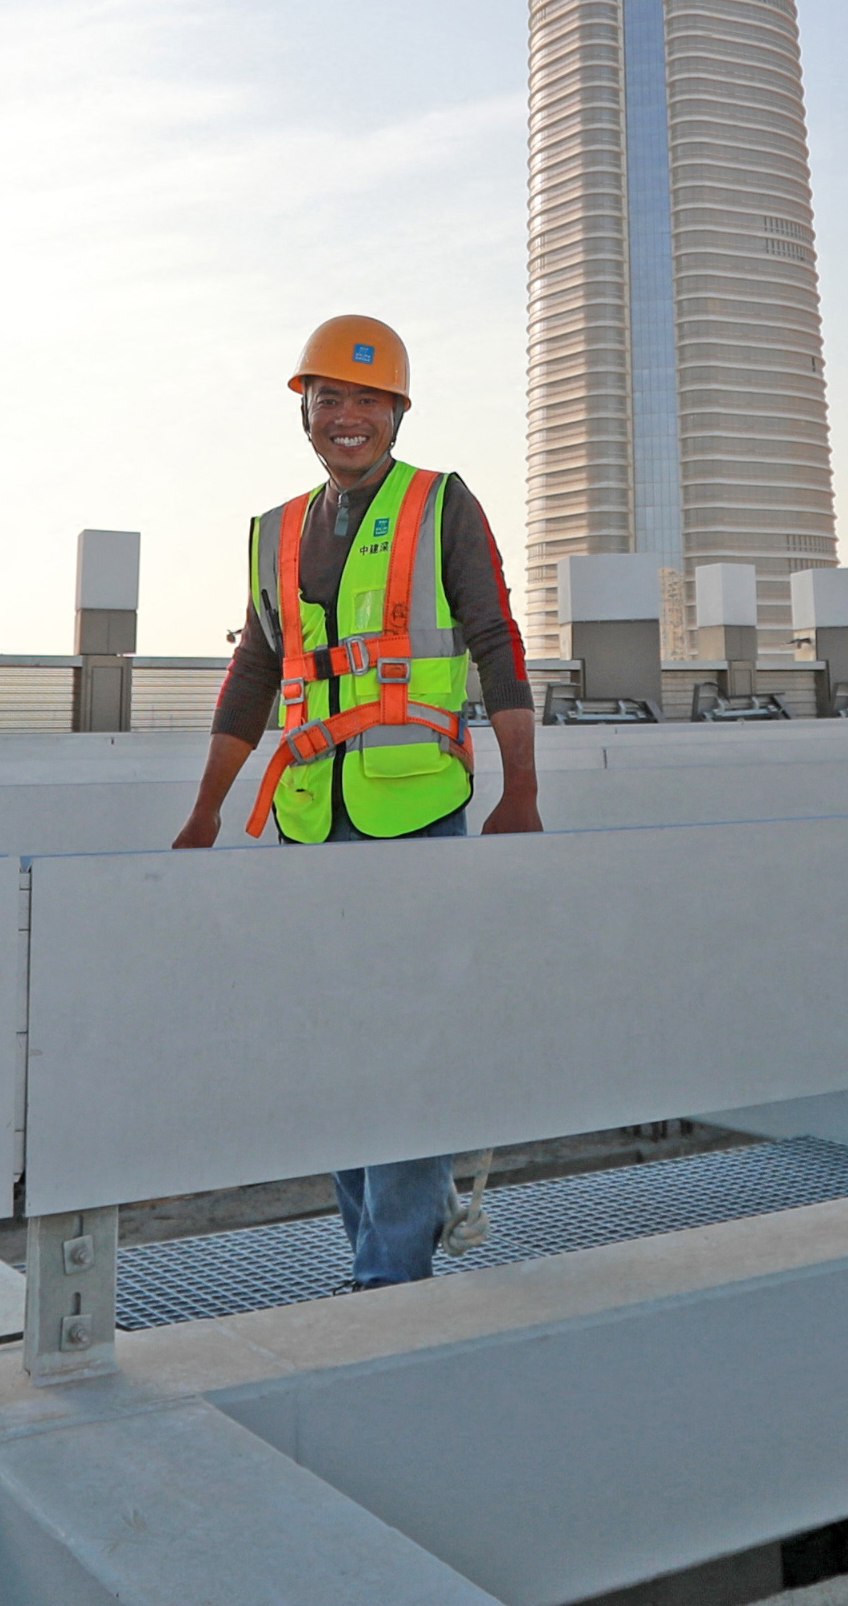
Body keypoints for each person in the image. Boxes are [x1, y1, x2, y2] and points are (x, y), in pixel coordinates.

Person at [173, 312, 542, 1287]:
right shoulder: (275, 531)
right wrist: (207, 808)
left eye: (366, 400)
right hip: (305, 817)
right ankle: (369, 1258)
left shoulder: (442, 504)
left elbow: (496, 640)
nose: (346, 417)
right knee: (330, 1047)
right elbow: (254, 672)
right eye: (327, 397)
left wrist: (521, 790)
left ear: (397, 413)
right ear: (305, 411)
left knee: (404, 1045)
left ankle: (390, 1270)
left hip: (414, 811)